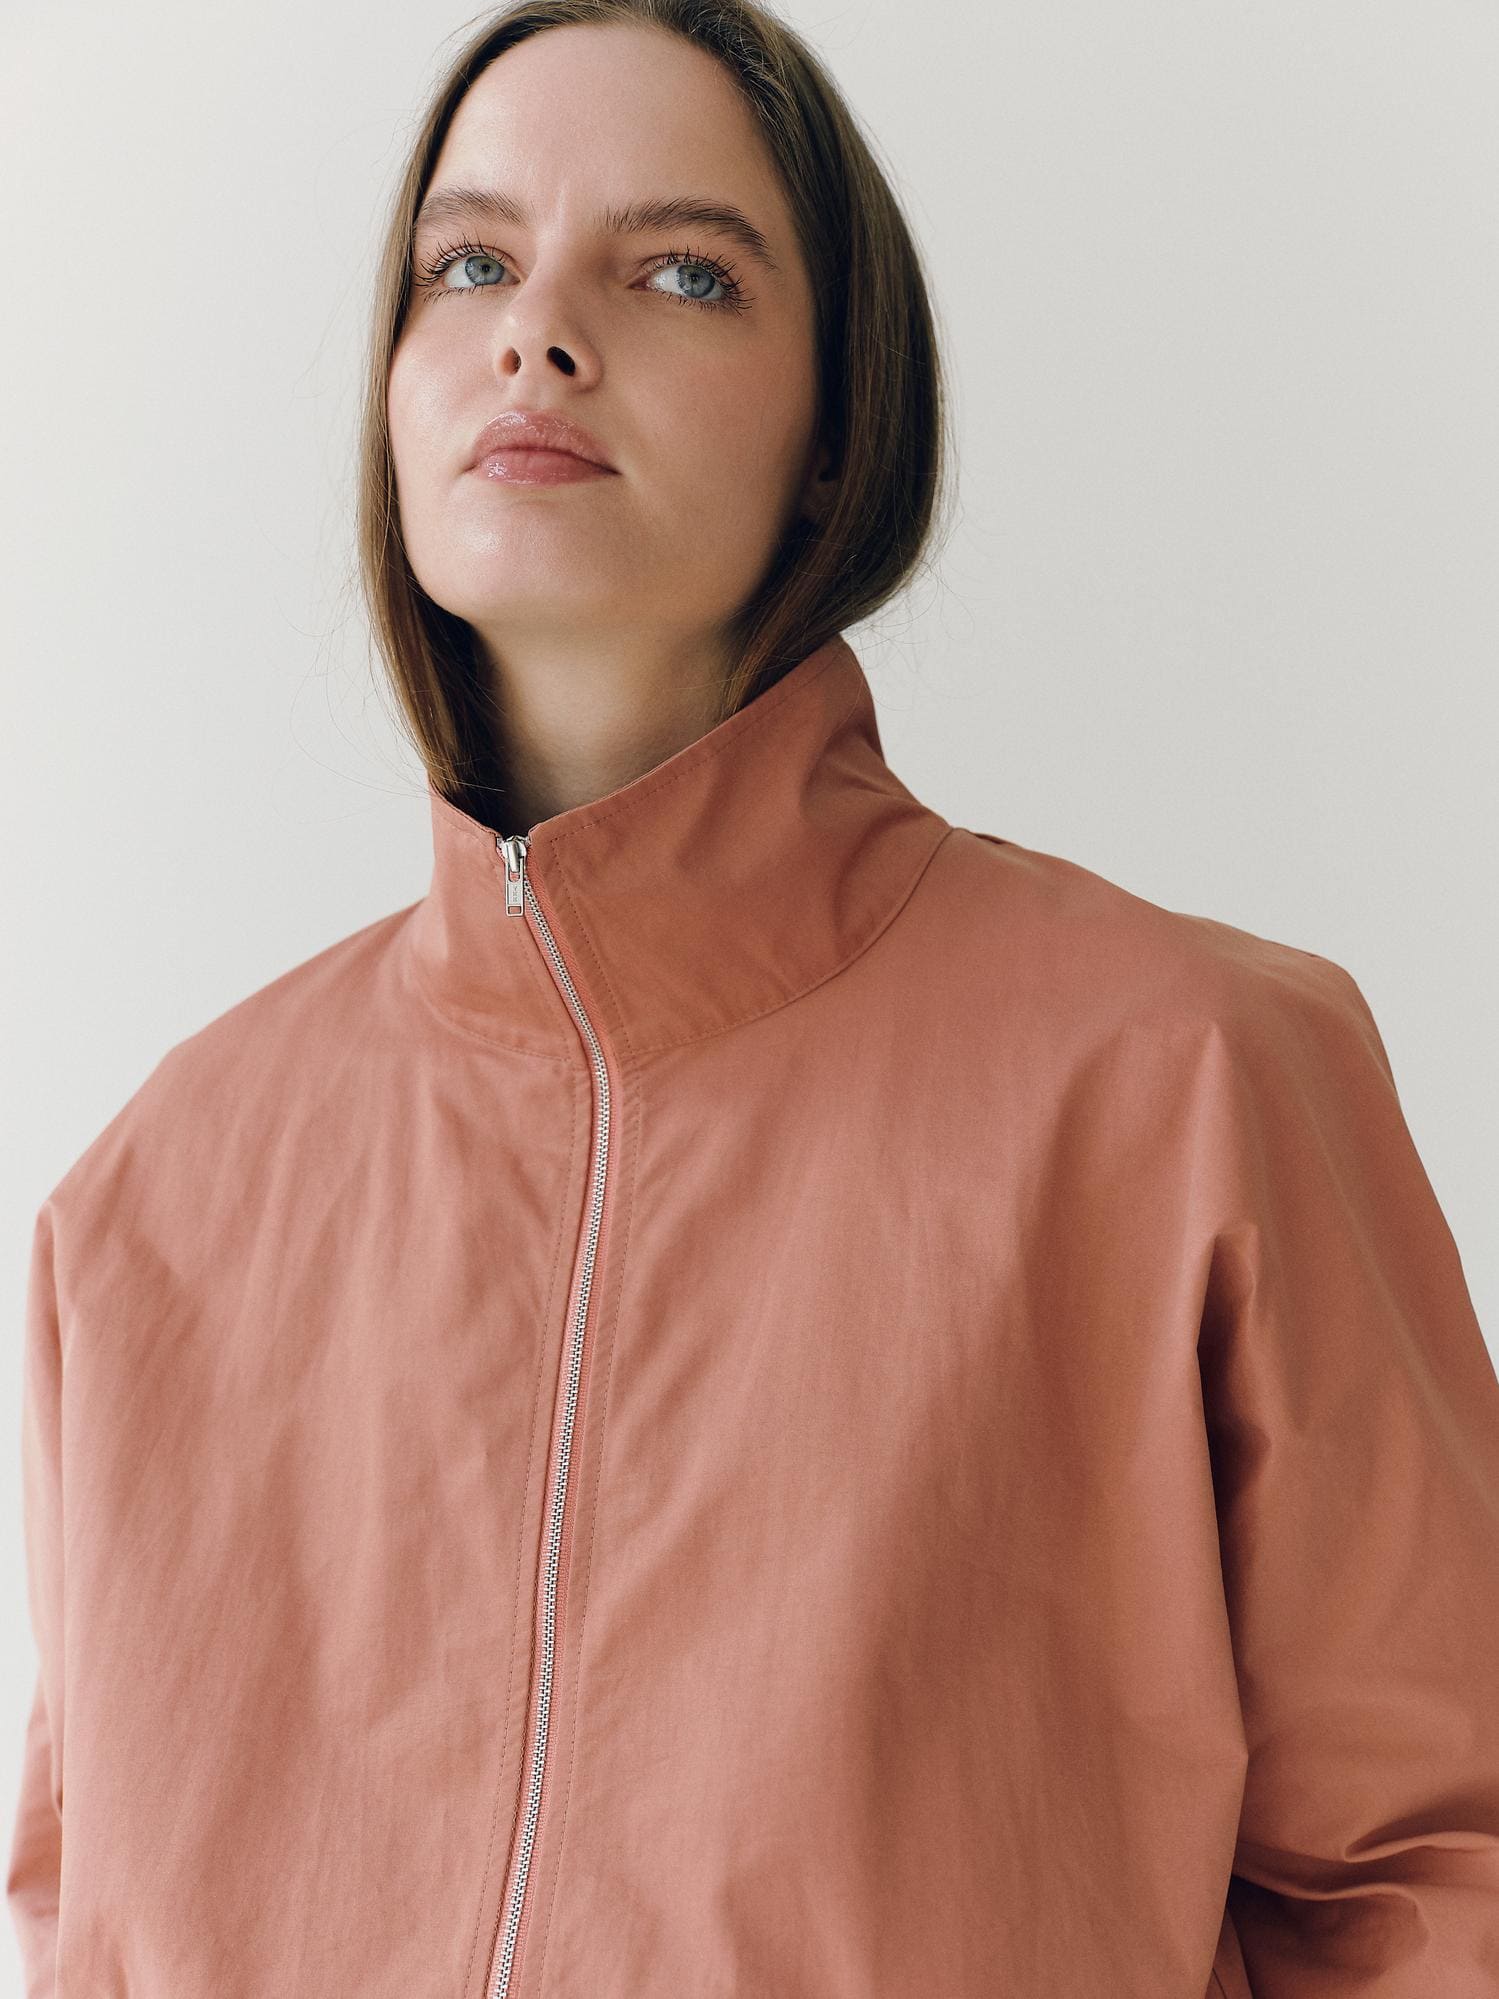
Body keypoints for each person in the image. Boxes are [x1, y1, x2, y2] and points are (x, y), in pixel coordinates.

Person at [9, 2, 1499, 1994]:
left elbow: (1440, 1883)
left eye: (682, 273)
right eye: (469, 263)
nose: (538, 334)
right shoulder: (160, 1199)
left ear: (838, 434)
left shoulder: (1186, 1081)